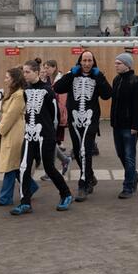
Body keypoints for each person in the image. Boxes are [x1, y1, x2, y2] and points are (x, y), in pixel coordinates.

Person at [11, 58, 73, 215]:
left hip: (45, 135)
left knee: (49, 168)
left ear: (36, 72)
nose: (24, 75)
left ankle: (66, 194)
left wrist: (52, 135)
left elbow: (55, 115)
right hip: (29, 134)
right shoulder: (26, 91)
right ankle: (25, 202)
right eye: (23, 72)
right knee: (24, 167)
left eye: (27, 72)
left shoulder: (47, 90)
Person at [53, 51, 112, 201]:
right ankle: (90, 176)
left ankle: (83, 184)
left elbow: (107, 95)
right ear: (80, 62)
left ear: (93, 62)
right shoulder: (72, 76)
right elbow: (58, 88)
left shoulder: (97, 76)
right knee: (78, 151)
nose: (86, 64)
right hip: (74, 119)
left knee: (85, 150)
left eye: (89, 61)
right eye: (84, 60)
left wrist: (100, 77)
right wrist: (70, 74)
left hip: (90, 119)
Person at [0, 67, 37, 206]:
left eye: (7, 77)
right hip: (11, 133)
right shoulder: (13, 93)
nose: (5, 79)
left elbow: (11, 116)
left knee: (10, 167)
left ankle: (5, 198)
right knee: (15, 166)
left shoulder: (18, 95)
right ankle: (31, 187)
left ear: (14, 79)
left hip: (14, 133)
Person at [110, 52, 138, 199]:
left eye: (119, 63)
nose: (116, 65)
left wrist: (135, 126)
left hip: (129, 127)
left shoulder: (136, 81)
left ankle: (128, 186)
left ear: (127, 65)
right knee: (121, 154)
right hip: (117, 125)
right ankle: (134, 176)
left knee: (129, 156)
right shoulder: (116, 80)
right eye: (115, 63)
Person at [42, 59, 71, 177]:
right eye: (44, 68)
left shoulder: (60, 80)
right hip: (48, 115)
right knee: (51, 142)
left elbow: (63, 102)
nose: (45, 70)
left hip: (56, 116)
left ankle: (50, 171)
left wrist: (62, 118)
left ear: (54, 67)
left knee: (51, 142)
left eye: (47, 68)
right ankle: (64, 160)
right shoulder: (47, 79)